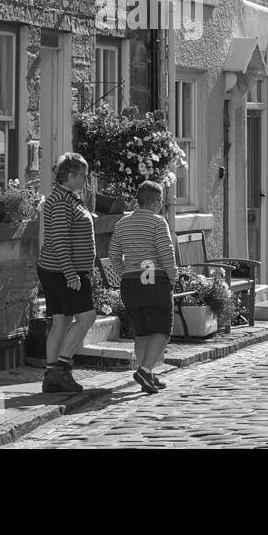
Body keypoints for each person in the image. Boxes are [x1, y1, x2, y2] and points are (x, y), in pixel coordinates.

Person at [107, 180, 179, 394]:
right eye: (162, 201)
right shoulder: (158, 222)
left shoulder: (122, 223)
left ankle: (146, 373)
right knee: (163, 330)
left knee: (142, 332)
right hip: (154, 281)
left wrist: (123, 272)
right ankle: (146, 370)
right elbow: (166, 253)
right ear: (156, 202)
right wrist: (173, 277)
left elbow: (112, 253)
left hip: (131, 283)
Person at [36, 152, 98, 394]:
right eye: (83, 175)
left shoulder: (67, 197)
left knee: (60, 320)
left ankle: (51, 376)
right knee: (87, 317)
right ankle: (61, 368)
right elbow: (60, 241)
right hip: (63, 271)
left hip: (54, 269)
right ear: (70, 176)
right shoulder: (62, 202)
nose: (85, 179)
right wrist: (71, 273)